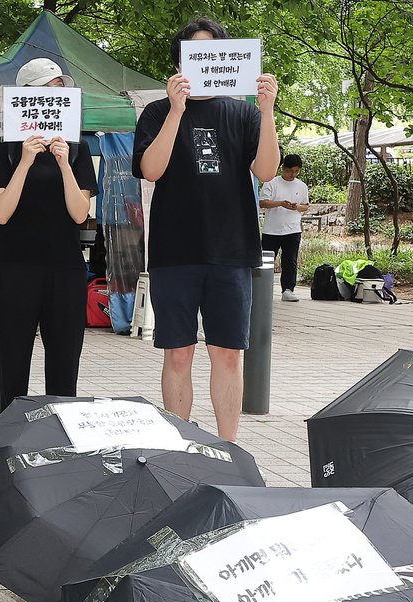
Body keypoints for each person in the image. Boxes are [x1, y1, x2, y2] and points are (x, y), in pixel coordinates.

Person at [133, 18, 279, 442]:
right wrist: (177, 111)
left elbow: (266, 170)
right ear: (181, 62)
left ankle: (228, 447)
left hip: (232, 251)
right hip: (174, 251)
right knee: (178, 352)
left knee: (228, 353)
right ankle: (179, 443)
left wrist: (267, 110)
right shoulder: (158, 112)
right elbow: (149, 170)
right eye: (194, 54)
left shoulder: (244, 112)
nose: (204, 62)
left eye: (212, 53)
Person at [0, 58, 98, 413]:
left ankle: (59, 442)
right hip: (15, 266)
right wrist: (25, 163)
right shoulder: (6, 147)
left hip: (64, 267)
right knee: (13, 364)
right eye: (48, 91)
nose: (55, 98)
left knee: (65, 365)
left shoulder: (76, 149)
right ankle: (8, 442)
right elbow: (2, 212)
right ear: (27, 97)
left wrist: (64, 163)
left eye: (60, 92)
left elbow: (80, 213)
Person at [259, 153, 309, 301]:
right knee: (266, 261)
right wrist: (280, 203)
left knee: (290, 261)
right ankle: (261, 289)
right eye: (289, 171)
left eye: (296, 171)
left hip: (292, 229)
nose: (292, 174)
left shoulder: (301, 186)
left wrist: (295, 207)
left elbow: (305, 206)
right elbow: (263, 203)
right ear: (283, 168)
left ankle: (288, 289)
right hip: (271, 230)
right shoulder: (271, 183)